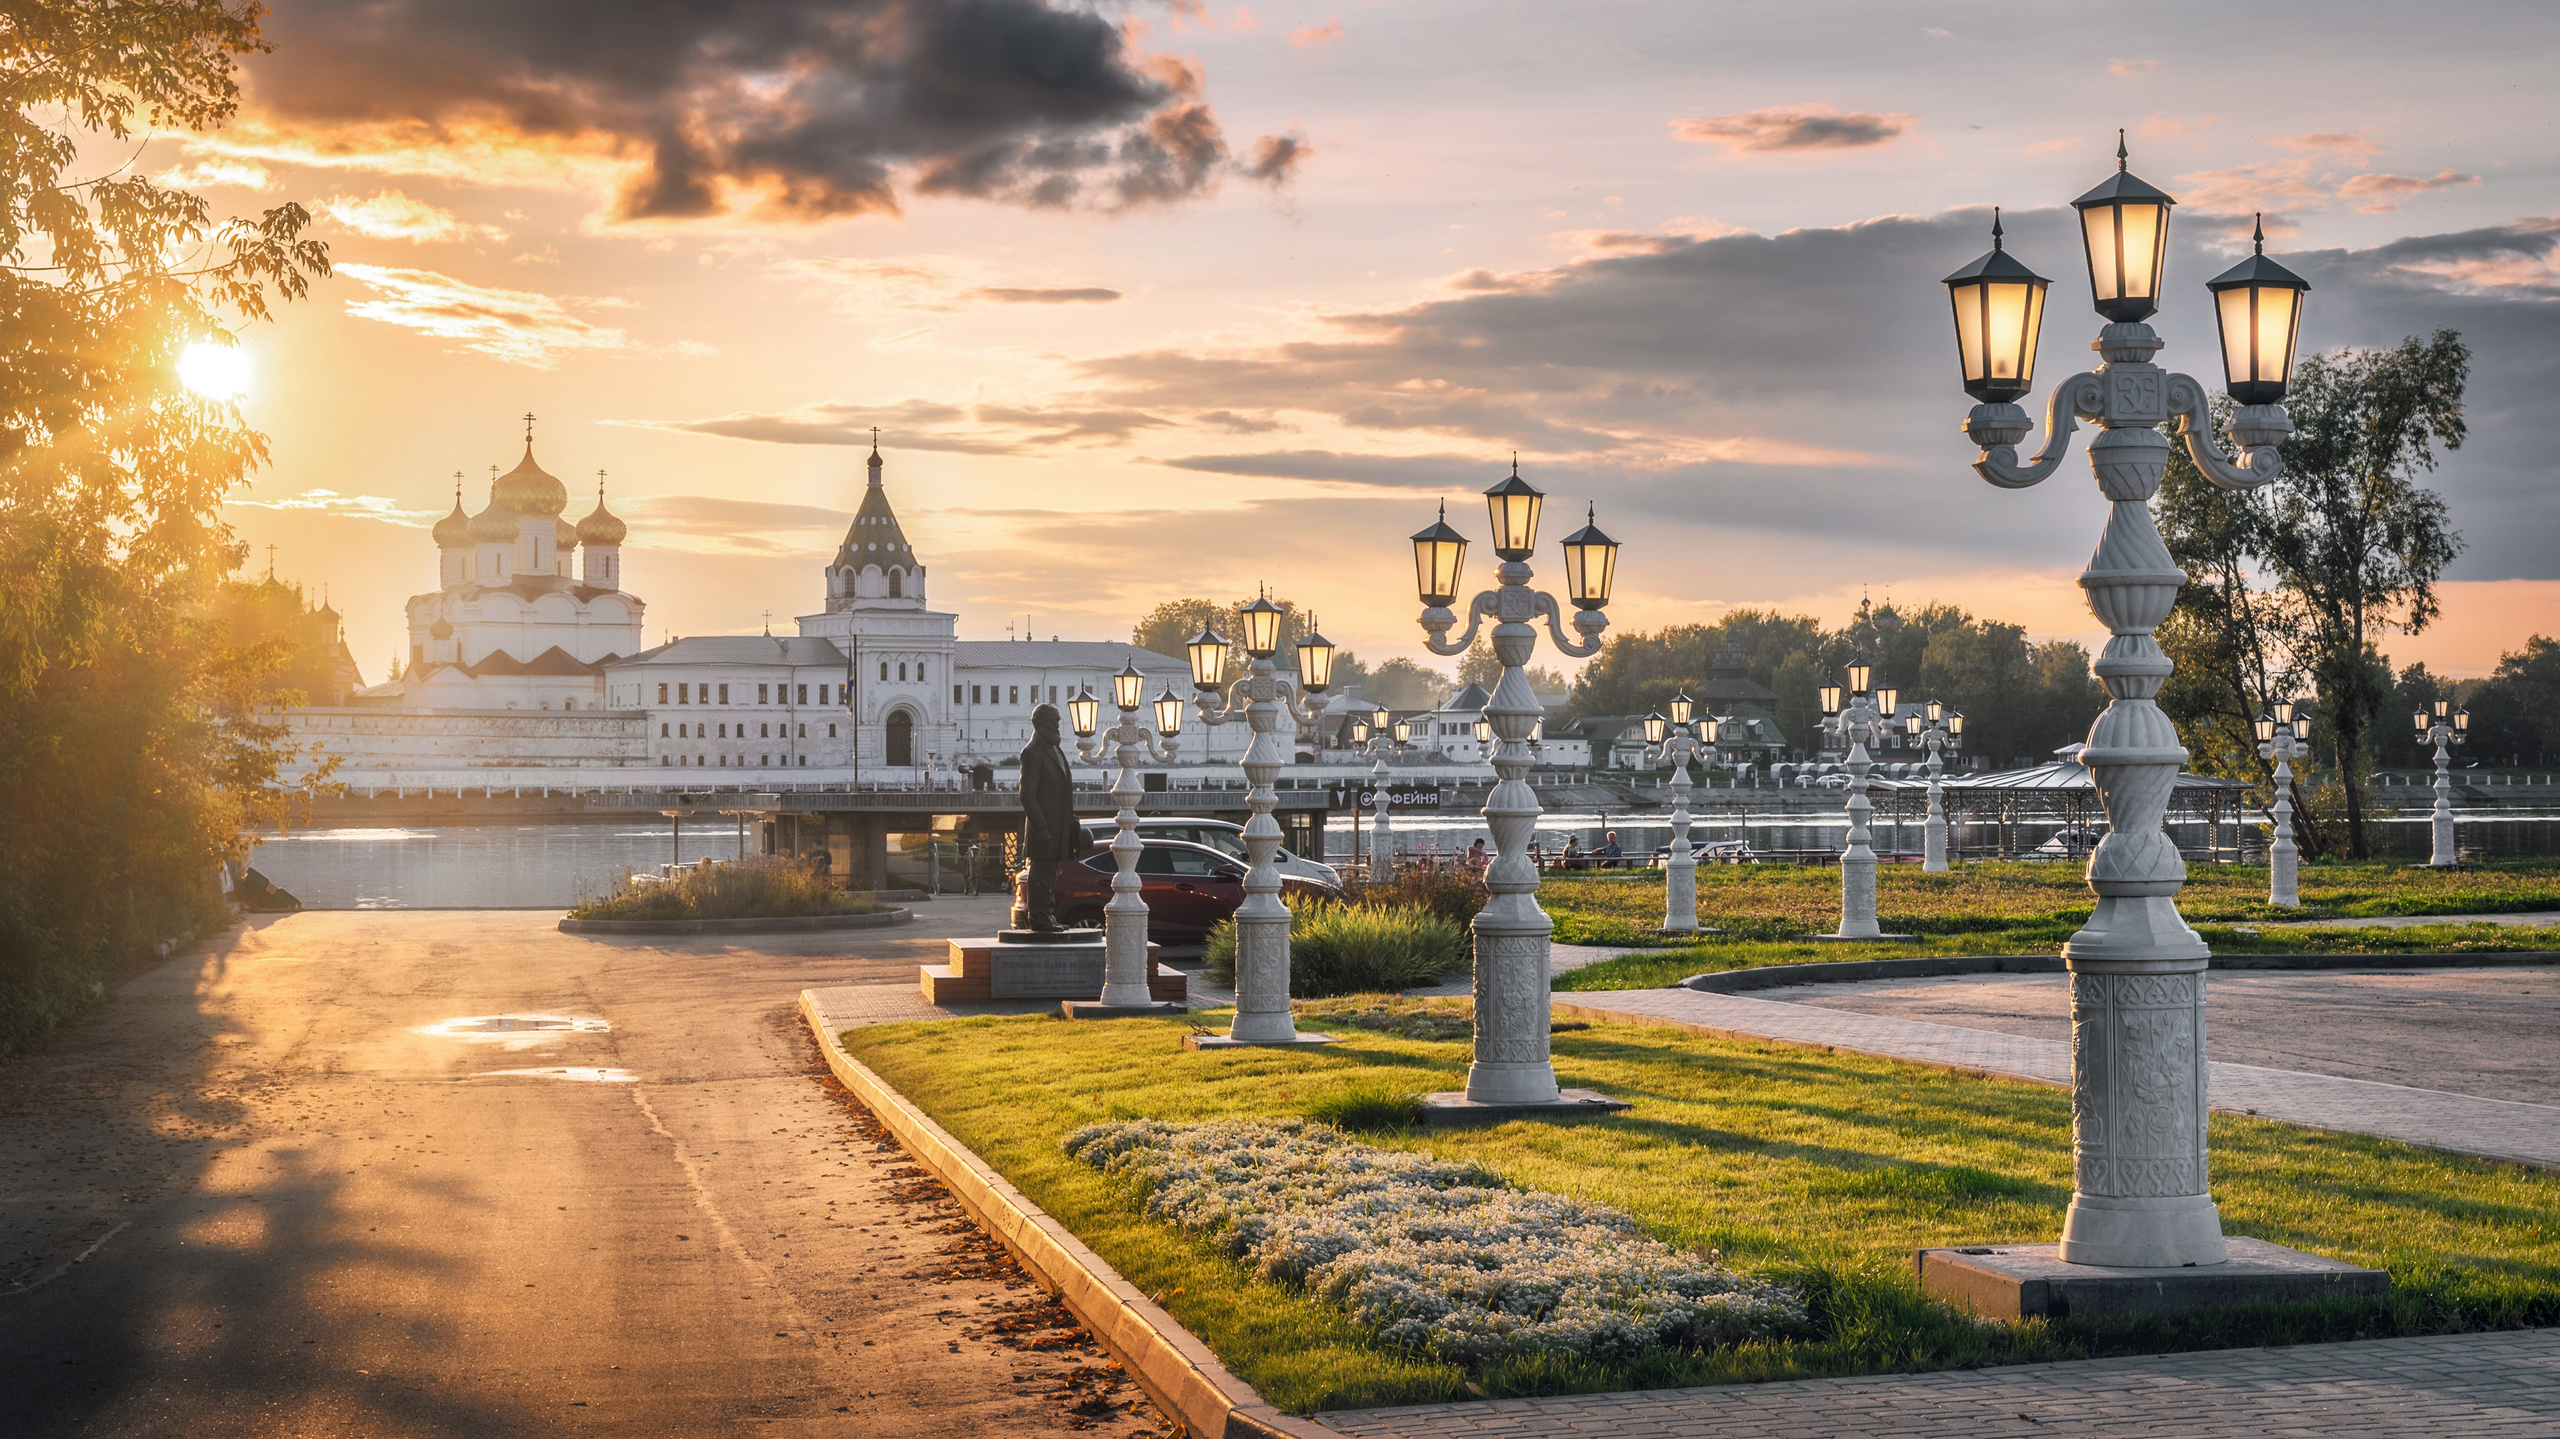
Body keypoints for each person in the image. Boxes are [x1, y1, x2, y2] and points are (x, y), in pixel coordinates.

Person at [1016, 704, 1083, 931]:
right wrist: (1042, 828)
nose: (1056, 725)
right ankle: (1039, 918)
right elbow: (1027, 795)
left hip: (1058, 829)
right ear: (1039, 724)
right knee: (1041, 875)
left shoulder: (1055, 749)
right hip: (1044, 831)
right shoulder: (1032, 752)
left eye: (1057, 720)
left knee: (1051, 875)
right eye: (1052, 721)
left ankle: (1048, 916)